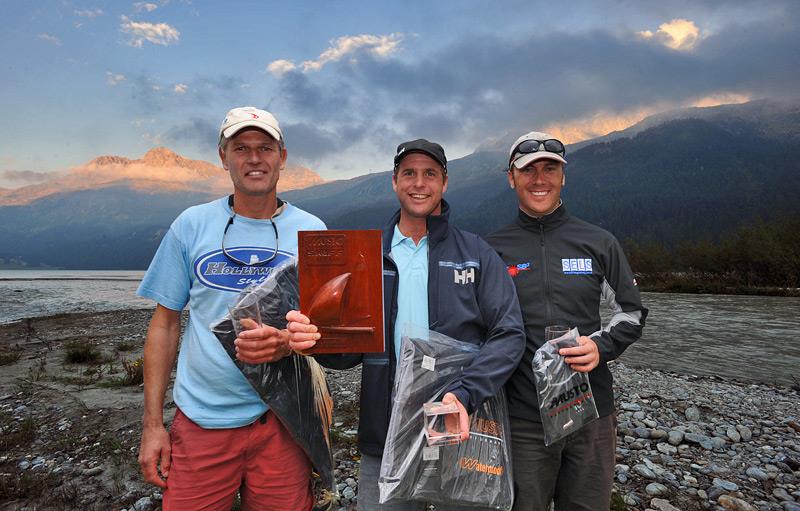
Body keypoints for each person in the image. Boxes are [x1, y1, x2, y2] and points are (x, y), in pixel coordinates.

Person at [277, 139, 526, 510]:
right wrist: (315, 340)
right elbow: (349, 351)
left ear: (444, 182)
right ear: (394, 181)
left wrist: (466, 393)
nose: (419, 183)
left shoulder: (476, 254)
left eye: (430, 174)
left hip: (461, 425)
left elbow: (509, 334)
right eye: (409, 173)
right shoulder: (367, 256)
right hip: (385, 431)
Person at [136, 106, 326, 510]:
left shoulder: (314, 230)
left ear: (282, 157)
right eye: (241, 148)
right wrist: (153, 425)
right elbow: (165, 324)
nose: (254, 158)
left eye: (265, 147)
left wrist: (289, 344)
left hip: (283, 423)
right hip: (202, 421)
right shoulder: (191, 224)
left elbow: (325, 330)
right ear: (223, 157)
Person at [486, 131, 648, 511]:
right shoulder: (493, 248)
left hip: (591, 413)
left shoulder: (598, 242)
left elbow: (632, 311)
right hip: (521, 417)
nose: (539, 180)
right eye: (528, 171)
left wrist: (601, 346)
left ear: (563, 176)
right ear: (511, 178)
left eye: (550, 169)